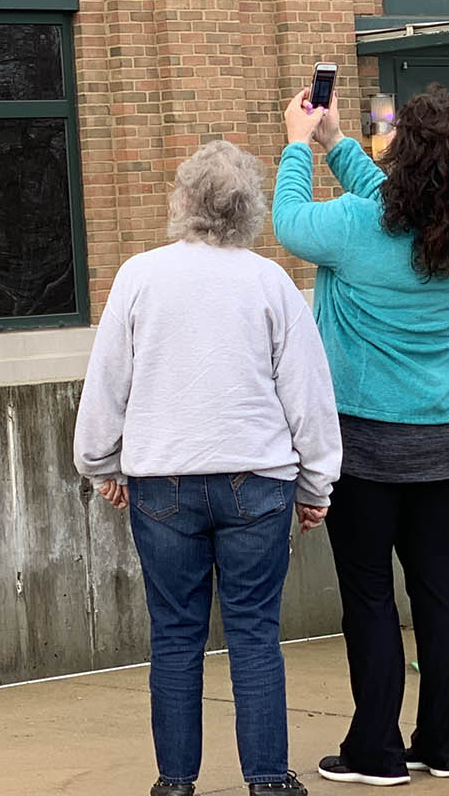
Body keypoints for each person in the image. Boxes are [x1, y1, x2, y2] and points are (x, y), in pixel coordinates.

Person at [75, 139, 340, 796]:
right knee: (254, 632)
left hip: (161, 478)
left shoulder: (139, 276)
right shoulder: (270, 281)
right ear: (248, 208)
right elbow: (306, 391)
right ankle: (269, 780)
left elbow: (108, 383)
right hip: (258, 479)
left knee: (174, 633)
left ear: (184, 200)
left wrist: (101, 465)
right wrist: (316, 484)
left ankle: (175, 781)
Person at [272, 86, 449, 786]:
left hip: (361, 439)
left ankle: (376, 752)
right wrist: (337, 142)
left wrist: (297, 145)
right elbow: (395, 202)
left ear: (402, 155)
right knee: (437, 586)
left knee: (369, 594)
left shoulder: (356, 227)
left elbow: (288, 220)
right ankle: (443, 746)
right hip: (437, 438)